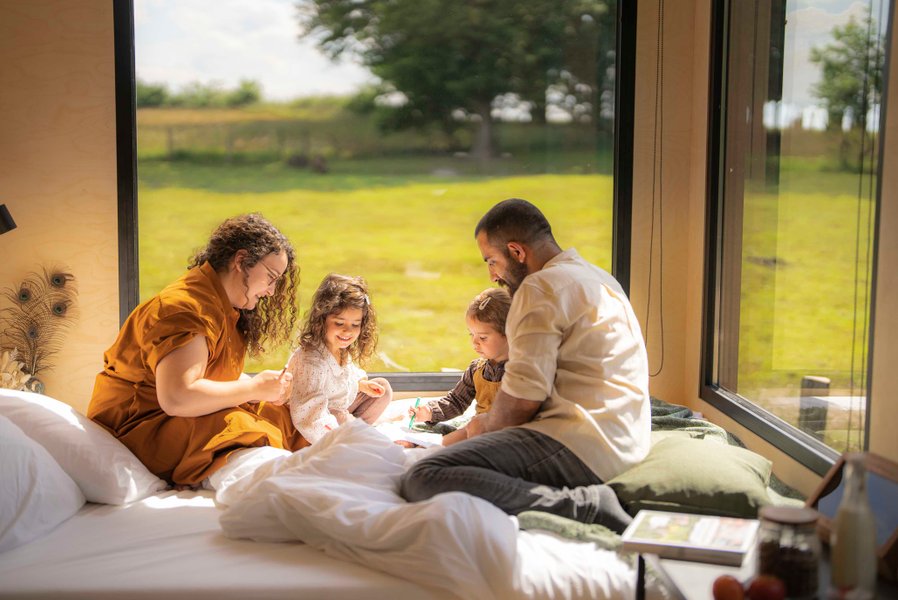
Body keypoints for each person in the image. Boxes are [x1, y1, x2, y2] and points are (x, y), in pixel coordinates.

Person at [400, 199, 651, 533]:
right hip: (626, 438)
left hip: (581, 443)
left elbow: (520, 402)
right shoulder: (599, 278)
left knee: (423, 476)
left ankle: (587, 508)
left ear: (517, 252)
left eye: (492, 260)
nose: (491, 275)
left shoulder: (539, 288)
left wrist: (476, 431)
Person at [88, 213, 307, 488]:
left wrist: (262, 386)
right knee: (241, 423)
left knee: (283, 413)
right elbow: (178, 397)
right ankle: (273, 486)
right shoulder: (184, 308)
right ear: (240, 261)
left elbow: (210, 374)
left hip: (174, 418)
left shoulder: (221, 305)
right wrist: (254, 389)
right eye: (271, 278)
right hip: (142, 427)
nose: (272, 292)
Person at [286, 273, 392, 444]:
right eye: (339, 323)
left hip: (338, 408)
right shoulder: (312, 360)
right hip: (312, 424)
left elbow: (346, 375)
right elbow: (308, 415)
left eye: (355, 324)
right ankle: (349, 437)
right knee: (338, 421)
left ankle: (355, 431)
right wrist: (339, 439)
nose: (347, 331)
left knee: (383, 389)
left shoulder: (339, 348)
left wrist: (361, 384)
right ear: (322, 319)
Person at [408, 287, 511, 443]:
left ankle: (430, 449)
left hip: (506, 435)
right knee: (440, 431)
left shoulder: (521, 371)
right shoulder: (477, 369)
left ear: (510, 333)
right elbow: (456, 401)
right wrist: (430, 412)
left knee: (464, 433)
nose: (474, 342)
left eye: (483, 338)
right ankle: (423, 446)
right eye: (471, 334)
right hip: (478, 429)